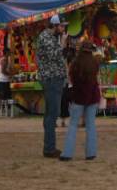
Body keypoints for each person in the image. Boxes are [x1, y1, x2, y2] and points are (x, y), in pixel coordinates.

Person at [60, 42, 101, 162]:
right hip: (93, 96)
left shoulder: (75, 64)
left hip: (78, 96)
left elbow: (71, 79)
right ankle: (91, 153)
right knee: (90, 125)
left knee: (73, 125)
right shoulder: (95, 63)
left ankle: (67, 154)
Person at [35, 16, 67, 158]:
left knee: (51, 114)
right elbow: (53, 55)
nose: (64, 29)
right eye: (62, 26)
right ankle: (49, 148)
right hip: (51, 79)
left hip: (53, 78)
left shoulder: (50, 37)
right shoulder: (46, 37)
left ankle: (49, 147)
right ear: (55, 25)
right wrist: (63, 45)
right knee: (52, 114)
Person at [60, 37, 77, 128]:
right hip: (66, 84)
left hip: (71, 84)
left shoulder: (74, 63)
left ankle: (69, 120)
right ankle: (64, 120)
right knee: (64, 102)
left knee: (73, 102)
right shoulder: (64, 62)